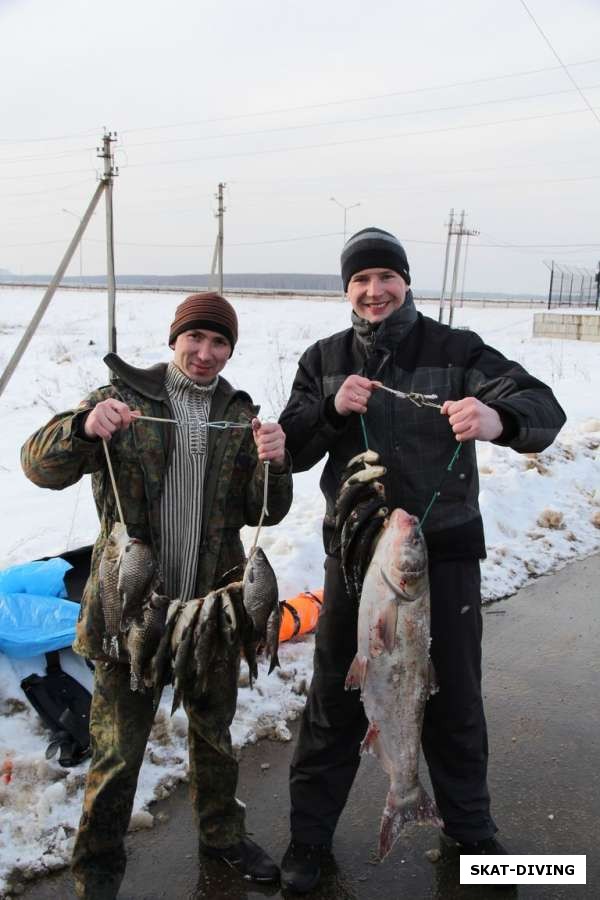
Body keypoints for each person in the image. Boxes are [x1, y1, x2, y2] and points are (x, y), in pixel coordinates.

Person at [278, 227, 566, 893]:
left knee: (452, 697)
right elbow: (289, 449)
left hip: (446, 556)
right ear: (347, 290)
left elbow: (543, 409)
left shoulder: (457, 351)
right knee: (335, 699)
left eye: (386, 277)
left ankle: (471, 835)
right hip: (355, 562)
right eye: (360, 281)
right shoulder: (324, 357)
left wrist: (497, 419)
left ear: (406, 281)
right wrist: (328, 407)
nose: (374, 291)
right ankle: (308, 840)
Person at [21, 292, 292, 899]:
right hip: (132, 607)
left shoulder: (240, 413)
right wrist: (84, 428)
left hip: (212, 609)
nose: (205, 352)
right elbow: (38, 466)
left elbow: (267, 510)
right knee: (118, 754)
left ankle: (223, 837)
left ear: (230, 350)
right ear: (175, 340)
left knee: (214, 736)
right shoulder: (121, 399)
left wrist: (279, 458)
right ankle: (96, 871)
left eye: (219, 342)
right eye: (195, 338)